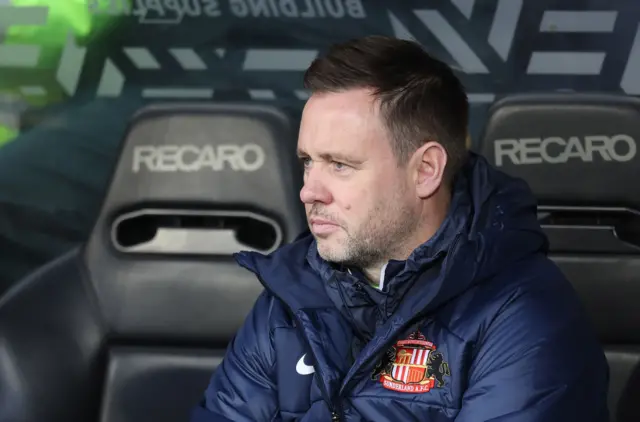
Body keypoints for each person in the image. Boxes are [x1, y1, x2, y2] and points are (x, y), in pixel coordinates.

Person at [190, 35, 609, 421]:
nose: (309, 192)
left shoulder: (526, 318)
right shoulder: (288, 297)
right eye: (307, 162)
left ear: (425, 170)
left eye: (340, 165)